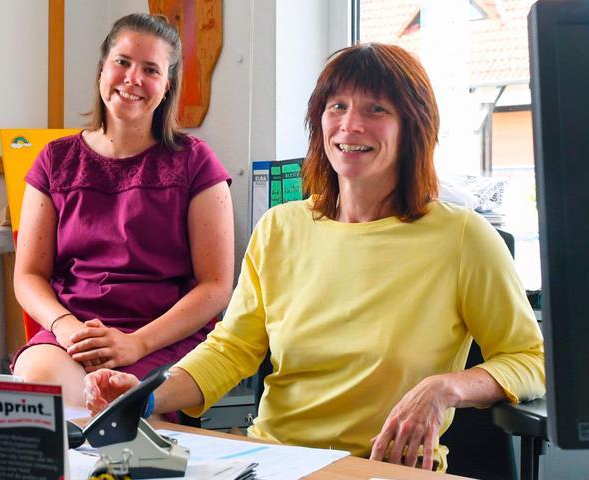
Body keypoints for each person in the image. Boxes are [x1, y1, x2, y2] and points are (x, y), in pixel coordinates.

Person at [84, 43, 545, 471]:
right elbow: (232, 350)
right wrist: (144, 398)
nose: (350, 125)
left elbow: (530, 359)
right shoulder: (280, 228)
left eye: (376, 110)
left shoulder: (462, 237)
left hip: (383, 469)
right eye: (337, 107)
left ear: (413, 126)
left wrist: (446, 388)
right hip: (274, 460)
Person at [10, 13, 234, 409]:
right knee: (41, 390)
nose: (133, 78)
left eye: (151, 69)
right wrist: (67, 329)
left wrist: (134, 343)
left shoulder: (195, 162)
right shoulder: (53, 160)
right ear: (102, 69)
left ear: (167, 87)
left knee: (117, 408)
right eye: (123, 62)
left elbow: (215, 286)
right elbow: (28, 275)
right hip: (73, 331)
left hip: (160, 335)